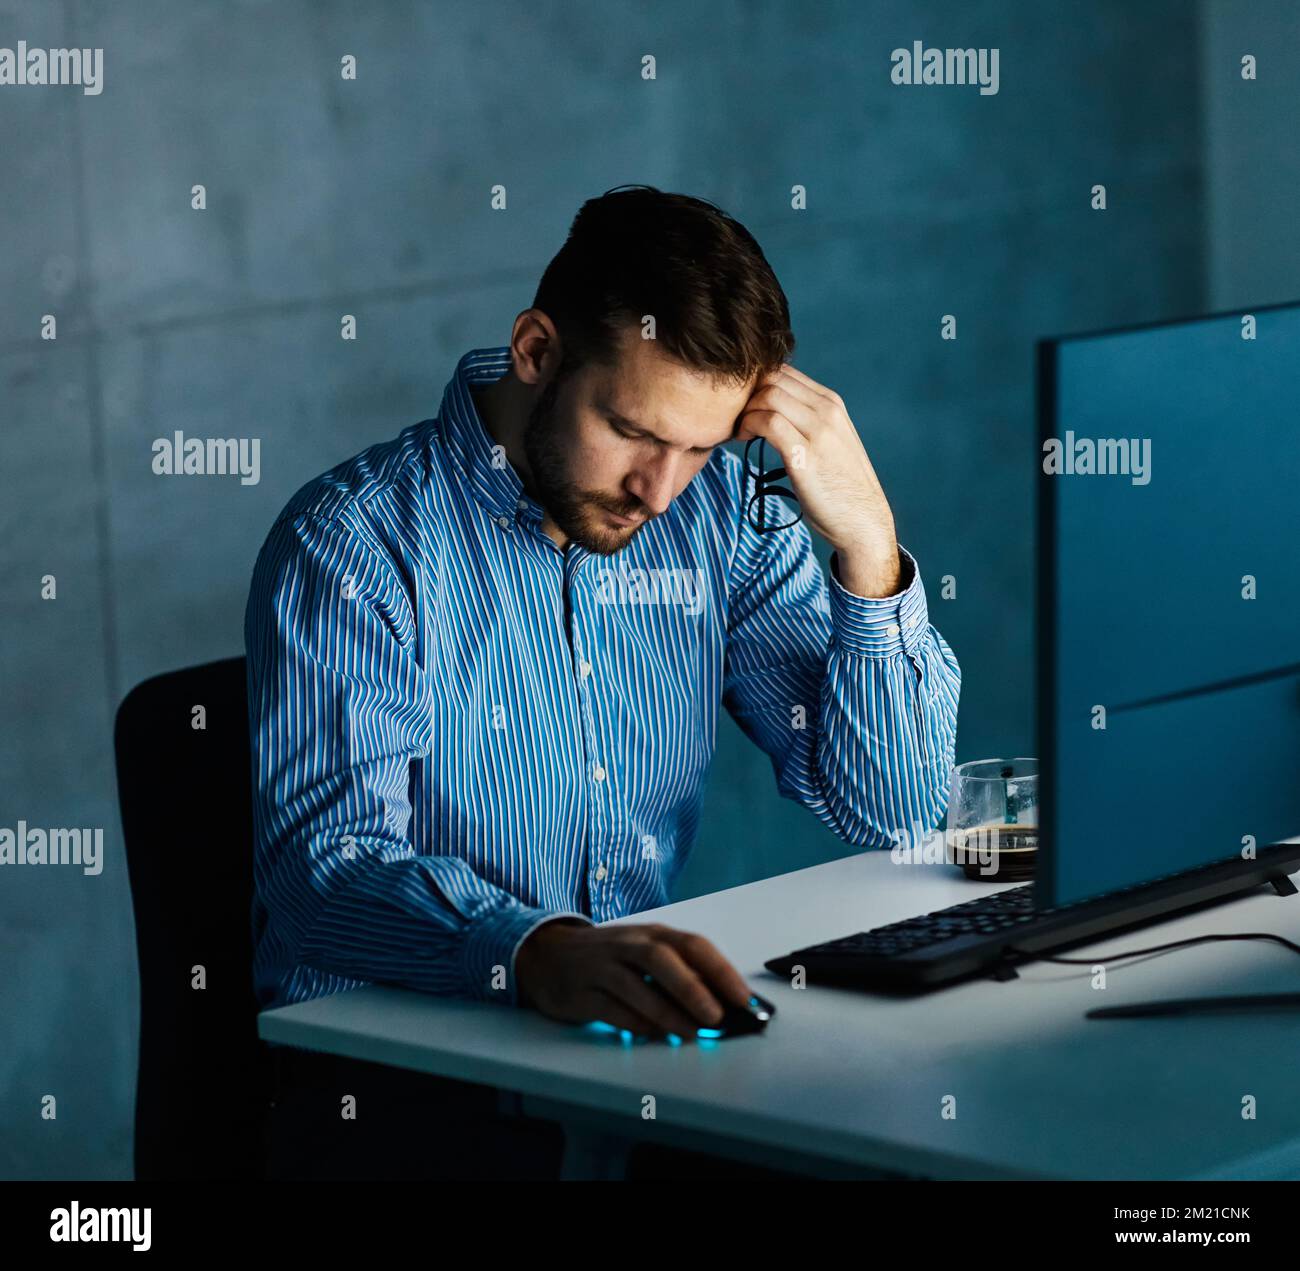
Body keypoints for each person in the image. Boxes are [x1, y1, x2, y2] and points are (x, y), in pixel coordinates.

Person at [247, 185, 961, 1180]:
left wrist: (869, 549)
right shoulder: (355, 543)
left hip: (621, 1068)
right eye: (632, 430)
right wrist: (535, 949)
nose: (658, 489)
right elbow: (325, 866)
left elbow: (896, 807)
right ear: (537, 350)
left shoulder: (712, 513)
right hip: (394, 1093)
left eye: (702, 447)